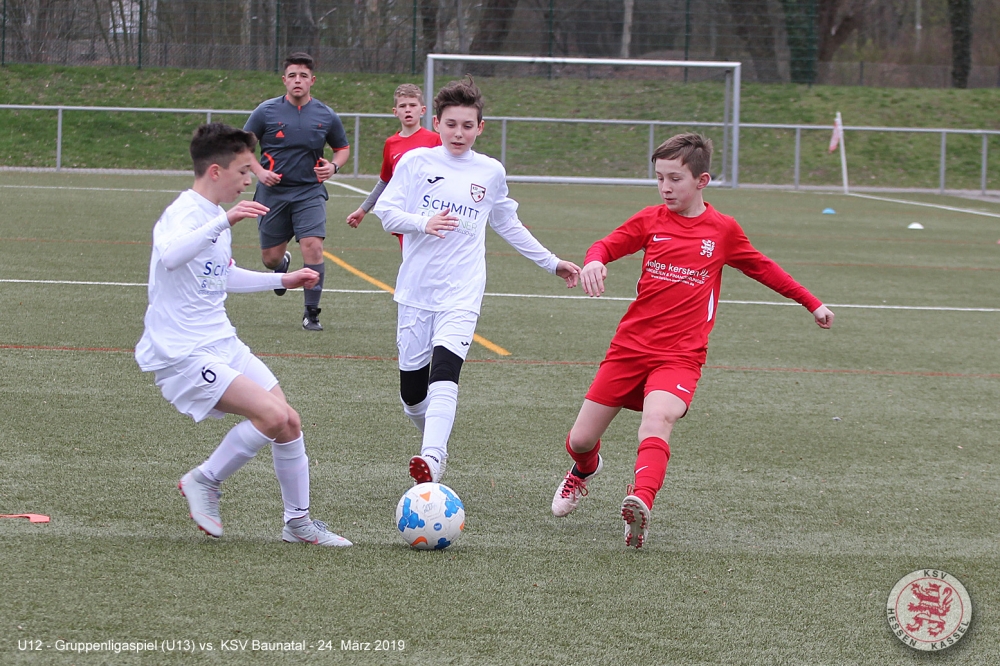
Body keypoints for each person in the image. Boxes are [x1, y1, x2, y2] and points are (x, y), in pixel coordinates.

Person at [550, 133, 835, 549]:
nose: (665, 188)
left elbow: (763, 268)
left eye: (675, 179)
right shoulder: (650, 220)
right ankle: (584, 470)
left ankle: (639, 505)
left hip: (680, 356)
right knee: (580, 440)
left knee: (658, 419)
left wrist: (812, 303)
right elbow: (606, 245)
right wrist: (595, 260)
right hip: (629, 349)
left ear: (702, 180)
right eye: (659, 178)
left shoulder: (722, 231)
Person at [135, 122, 352, 547]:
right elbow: (172, 255)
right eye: (243, 171)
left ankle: (298, 524)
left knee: (287, 421)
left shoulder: (214, 216)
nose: (249, 180)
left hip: (221, 341)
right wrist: (225, 221)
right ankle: (204, 479)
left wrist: (282, 280)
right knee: (270, 416)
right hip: (184, 349)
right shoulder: (185, 213)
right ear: (216, 171)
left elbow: (223, 275)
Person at [372, 77, 581, 485]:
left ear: (480, 127)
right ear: (437, 123)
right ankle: (435, 441)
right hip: (416, 291)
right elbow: (386, 211)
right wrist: (423, 222)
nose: (459, 133)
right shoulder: (416, 162)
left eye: (467, 126)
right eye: (451, 124)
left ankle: (432, 458)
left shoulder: (490, 172)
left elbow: (508, 223)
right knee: (412, 397)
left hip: (462, 291)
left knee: (445, 371)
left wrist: (552, 262)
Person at [244, 52, 350, 332]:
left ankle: (311, 313)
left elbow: (342, 148)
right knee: (270, 258)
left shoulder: (326, 115)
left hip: (309, 192)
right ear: (284, 80)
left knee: (313, 246)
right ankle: (282, 265)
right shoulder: (266, 111)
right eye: (292, 75)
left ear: (312, 80)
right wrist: (259, 172)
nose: (297, 80)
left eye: (303, 75)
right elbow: (244, 147)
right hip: (273, 194)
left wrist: (333, 167)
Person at [346, 83, 441, 244]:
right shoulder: (391, 144)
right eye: (403, 106)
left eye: (413, 105)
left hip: (431, 214)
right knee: (411, 259)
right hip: (404, 217)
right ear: (395, 111)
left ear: (422, 110)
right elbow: (385, 181)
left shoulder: (436, 140)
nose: (408, 110)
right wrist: (363, 210)